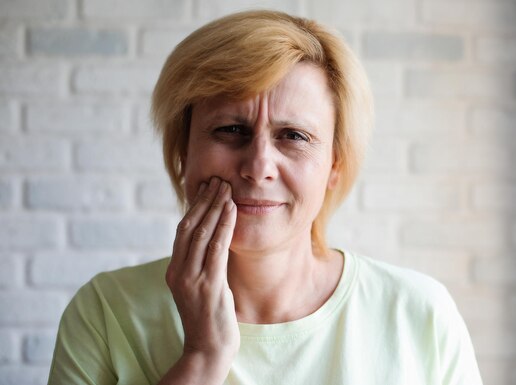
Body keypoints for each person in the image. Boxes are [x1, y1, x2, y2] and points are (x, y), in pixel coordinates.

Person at [47, 10, 483, 385]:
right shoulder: (105, 311)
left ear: (334, 165)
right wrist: (202, 357)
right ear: (184, 153)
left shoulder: (420, 315)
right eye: (229, 130)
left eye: (293, 136)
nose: (258, 166)